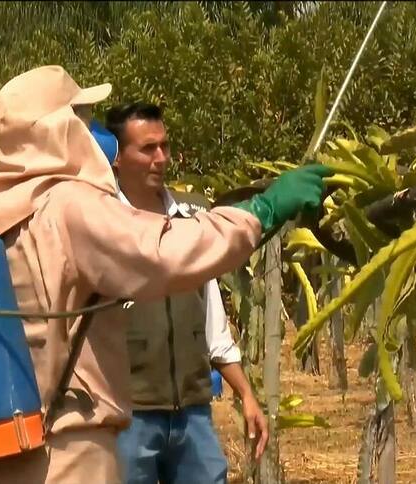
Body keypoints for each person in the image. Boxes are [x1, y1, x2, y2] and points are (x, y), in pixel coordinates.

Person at [0, 65, 332, 483]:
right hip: (67, 452)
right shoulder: (68, 207)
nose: (89, 131)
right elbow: (163, 253)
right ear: (58, 130)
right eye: (81, 118)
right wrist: (262, 210)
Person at [99, 102, 267, 484]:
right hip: (128, 415)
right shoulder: (102, 225)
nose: (160, 158)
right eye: (147, 149)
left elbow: (213, 322)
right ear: (117, 158)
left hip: (192, 412)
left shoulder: (191, 220)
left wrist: (245, 393)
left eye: (164, 146)